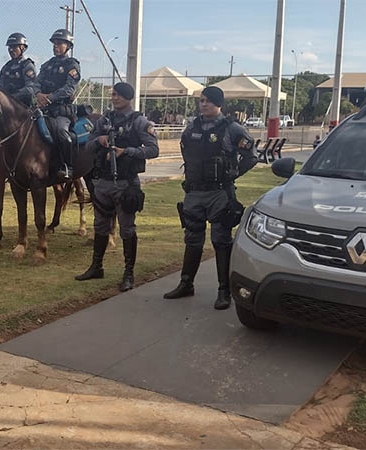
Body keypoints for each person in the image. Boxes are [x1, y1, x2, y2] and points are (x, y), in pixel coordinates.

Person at [163, 86, 257, 310]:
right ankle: (186, 283)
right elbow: (186, 150)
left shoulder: (232, 128)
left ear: (219, 103)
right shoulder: (192, 126)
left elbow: (251, 156)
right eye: (202, 100)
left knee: (221, 240)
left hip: (219, 193)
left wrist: (232, 173)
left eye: (209, 101)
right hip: (194, 192)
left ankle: (224, 291)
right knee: (192, 238)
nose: (203, 104)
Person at [75, 82, 159, 291]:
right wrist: (100, 140)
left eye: (118, 95)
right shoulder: (105, 120)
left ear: (128, 97)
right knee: (100, 226)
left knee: (127, 228)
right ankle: (96, 266)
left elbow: (153, 149)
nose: (114, 98)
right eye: (112, 94)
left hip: (126, 182)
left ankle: (128, 273)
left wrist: (127, 151)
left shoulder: (139, 122)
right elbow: (88, 145)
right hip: (103, 180)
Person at [36, 28, 80, 179]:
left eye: (60, 43)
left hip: (62, 111)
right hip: (43, 109)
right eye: (54, 43)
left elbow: (70, 88)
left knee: (62, 134)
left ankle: (67, 166)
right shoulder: (47, 65)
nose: (55, 46)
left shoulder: (72, 65)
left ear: (68, 46)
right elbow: (37, 83)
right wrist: (38, 94)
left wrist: (51, 97)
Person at [0, 32, 39, 107]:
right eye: (10, 47)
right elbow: (0, 86)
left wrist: (13, 97)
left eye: (14, 47)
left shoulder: (27, 66)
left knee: (39, 116)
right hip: (7, 105)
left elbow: (31, 88)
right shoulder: (6, 67)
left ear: (23, 48)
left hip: (24, 105)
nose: (11, 50)